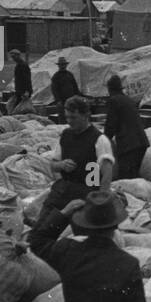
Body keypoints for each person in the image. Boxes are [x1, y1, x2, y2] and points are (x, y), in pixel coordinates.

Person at [38, 96, 115, 226]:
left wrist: (100, 202)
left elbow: (106, 175)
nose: (69, 121)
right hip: (64, 188)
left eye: (73, 117)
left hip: (88, 190)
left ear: (85, 115)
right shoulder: (66, 135)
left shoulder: (99, 140)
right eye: (67, 117)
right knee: (44, 221)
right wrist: (61, 165)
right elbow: (53, 165)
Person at [104, 74, 149, 181]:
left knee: (125, 179)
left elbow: (111, 124)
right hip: (141, 142)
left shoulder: (114, 101)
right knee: (133, 177)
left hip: (128, 145)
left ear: (110, 89)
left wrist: (103, 140)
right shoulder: (128, 100)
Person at [50, 57, 80, 122]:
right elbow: (54, 89)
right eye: (61, 64)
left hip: (71, 101)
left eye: (64, 64)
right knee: (63, 119)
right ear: (59, 66)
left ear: (66, 65)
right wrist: (58, 101)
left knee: (72, 117)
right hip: (62, 101)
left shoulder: (70, 74)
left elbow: (75, 86)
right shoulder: (56, 76)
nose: (63, 66)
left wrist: (77, 96)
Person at [8, 49, 33, 115]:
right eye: (12, 57)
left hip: (23, 93)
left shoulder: (23, 65)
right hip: (19, 92)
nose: (13, 59)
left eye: (14, 57)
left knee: (20, 111)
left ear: (18, 56)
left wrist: (27, 91)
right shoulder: (18, 65)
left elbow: (27, 79)